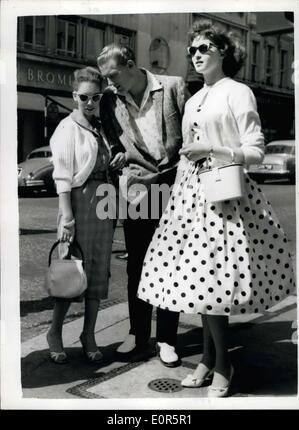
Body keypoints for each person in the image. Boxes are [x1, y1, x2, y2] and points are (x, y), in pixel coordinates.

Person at [137, 20, 295, 396]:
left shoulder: (237, 92)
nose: (196, 55)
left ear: (223, 51)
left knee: (216, 283)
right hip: (191, 198)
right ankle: (210, 358)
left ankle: (223, 361)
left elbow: (255, 151)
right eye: (192, 50)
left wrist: (213, 150)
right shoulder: (193, 99)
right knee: (202, 283)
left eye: (204, 48)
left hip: (226, 197)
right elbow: (189, 151)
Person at [97, 44, 190, 367]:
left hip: (174, 182)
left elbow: (192, 132)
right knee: (137, 262)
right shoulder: (110, 100)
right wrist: (115, 153)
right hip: (137, 187)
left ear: (131, 65)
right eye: (105, 79)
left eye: (112, 75)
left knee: (170, 263)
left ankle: (166, 339)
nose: (110, 84)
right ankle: (138, 333)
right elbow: (111, 136)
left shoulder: (174, 87)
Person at [47, 67, 126, 364]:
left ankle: (88, 334)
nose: (90, 103)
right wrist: (67, 218)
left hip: (103, 203)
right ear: (74, 96)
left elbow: (101, 161)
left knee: (96, 272)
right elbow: (63, 179)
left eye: (95, 97)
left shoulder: (100, 127)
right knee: (71, 272)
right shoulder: (67, 129)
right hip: (79, 205)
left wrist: (116, 159)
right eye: (84, 97)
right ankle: (54, 333)